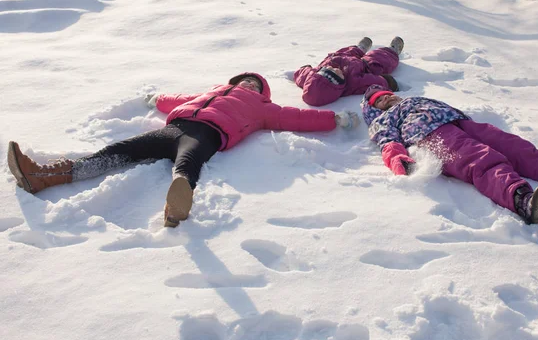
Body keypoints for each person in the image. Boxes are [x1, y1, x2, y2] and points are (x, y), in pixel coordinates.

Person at [7, 73, 360, 228]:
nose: (249, 83)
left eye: (256, 83)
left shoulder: (263, 108)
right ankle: (47, 175)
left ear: (262, 92)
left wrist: (335, 120)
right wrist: (156, 100)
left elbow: (295, 117)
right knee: (120, 149)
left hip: (207, 134)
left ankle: (178, 205)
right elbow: (177, 99)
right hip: (174, 127)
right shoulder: (210, 91)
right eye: (245, 80)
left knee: (187, 163)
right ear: (235, 81)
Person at [361, 85, 538, 224]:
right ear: (375, 110)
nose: (387, 98)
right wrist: (400, 161)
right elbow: (388, 143)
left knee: (519, 149)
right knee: (481, 161)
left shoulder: (413, 99)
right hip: (431, 136)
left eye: (387, 93)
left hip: (462, 123)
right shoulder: (383, 120)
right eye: (380, 100)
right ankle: (523, 201)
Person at [293, 36, 404, 107]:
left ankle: (360, 48)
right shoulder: (352, 83)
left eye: (328, 70)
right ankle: (391, 51)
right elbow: (368, 83)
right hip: (363, 66)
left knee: (346, 51)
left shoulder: (313, 76)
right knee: (377, 60)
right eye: (336, 73)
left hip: (342, 57)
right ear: (337, 85)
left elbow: (303, 75)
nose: (333, 68)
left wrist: (301, 70)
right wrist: (386, 81)